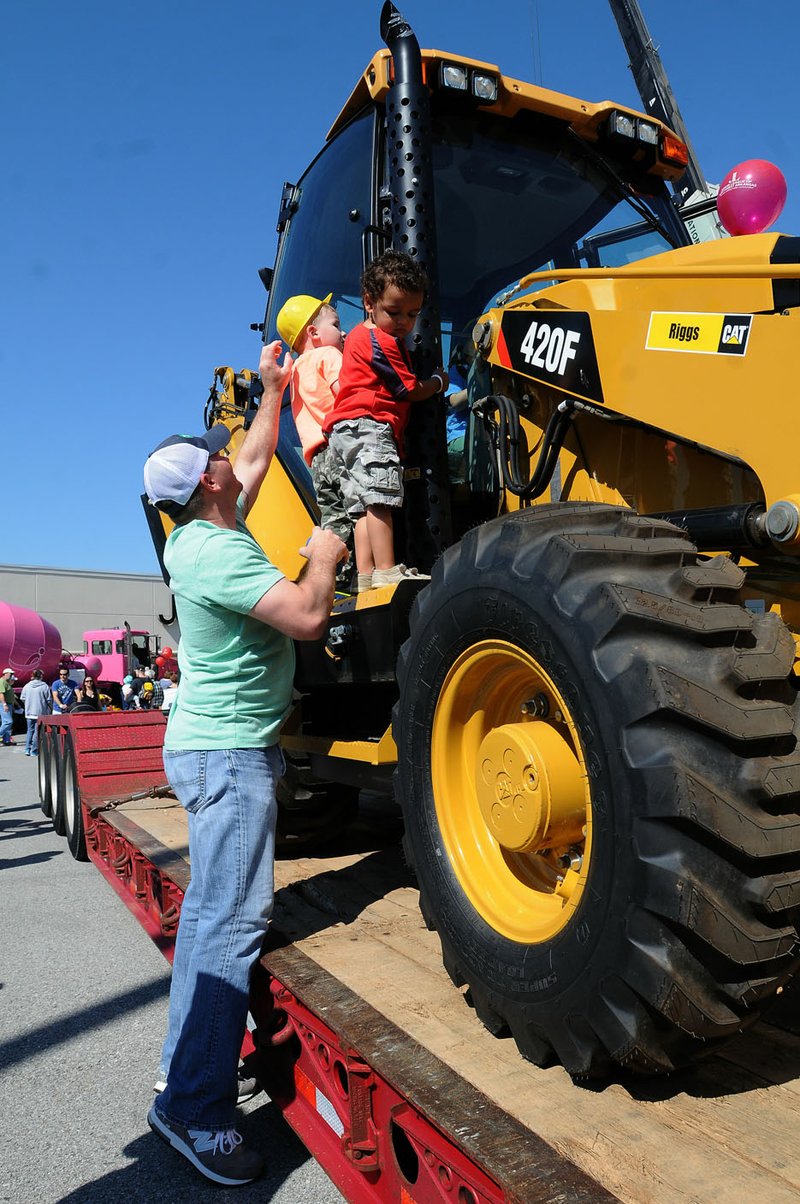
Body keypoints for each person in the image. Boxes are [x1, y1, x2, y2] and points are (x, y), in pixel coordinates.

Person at [142, 339, 347, 1187]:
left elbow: (258, 453)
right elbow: (303, 614)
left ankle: (180, 1074)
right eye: (220, 458)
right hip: (228, 758)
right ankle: (192, 1109)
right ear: (209, 483)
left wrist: (270, 387)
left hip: (207, 747)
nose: (234, 457)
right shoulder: (220, 552)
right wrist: (330, 542)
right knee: (231, 926)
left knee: (206, 922)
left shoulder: (202, 529)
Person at [324, 249, 448, 590]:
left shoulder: (356, 338)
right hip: (368, 424)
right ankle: (388, 569)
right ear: (369, 302)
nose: (404, 323)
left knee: (361, 506)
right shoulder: (380, 340)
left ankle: (365, 575)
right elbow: (408, 389)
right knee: (380, 498)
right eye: (394, 312)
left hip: (344, 431)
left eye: (413, 314)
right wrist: (438, 382)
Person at [275, 293, 353, 585]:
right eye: (336, 324)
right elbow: (346, 393)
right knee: (360, 509)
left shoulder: (295, 371)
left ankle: (337, 576)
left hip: (317, 458)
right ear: (314, 333)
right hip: (340, 444)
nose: (343, 331)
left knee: (333, 519)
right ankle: (365, 569)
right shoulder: (330, 355)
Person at [20, 670, 52, 754]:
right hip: (40, 712)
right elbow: (48, 700)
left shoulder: (27, 686)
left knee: (29, 730)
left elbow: (22, 698)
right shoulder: (44, 686)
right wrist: (51, 709)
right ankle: (34, 750)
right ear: (41, 676)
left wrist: (28, 704)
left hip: (29, 712)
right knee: (37, 731)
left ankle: (27, 749)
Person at [0, 668, 17, 746]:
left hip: (9, 704)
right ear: (5, 674)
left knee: (6, 723)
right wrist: (4, 704)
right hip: (4, 704)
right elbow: (1, 694)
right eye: (10, 674)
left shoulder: (6, 682)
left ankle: (6, 740)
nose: (11, 676)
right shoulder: (2, 681)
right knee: (8, 722)